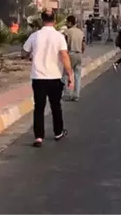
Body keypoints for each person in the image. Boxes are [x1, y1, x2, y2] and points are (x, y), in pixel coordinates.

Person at [22, 9, 73, 147]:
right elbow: (64, 56)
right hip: (54, 77)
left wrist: (29, 56)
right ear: (54, 20)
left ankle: (38, 137)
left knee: (39, 107)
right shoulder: (59, 37)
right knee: (55, 105)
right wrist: (70, 74)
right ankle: (58, 132)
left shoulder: (35, 36)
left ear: (42, 20)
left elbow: (24, 52)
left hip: (38, 77)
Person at [62, 15, 85, 101]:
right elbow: (83, 45)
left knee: (65, 74)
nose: (66, 24)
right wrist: (81, 52)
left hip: (70, 54)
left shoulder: (67, 32)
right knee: (77, 75)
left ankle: (67, 94)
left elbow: (63, 45)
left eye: (67, 22)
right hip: (79, 54)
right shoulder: (81, 32)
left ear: (70, 23)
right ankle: (76, 95)